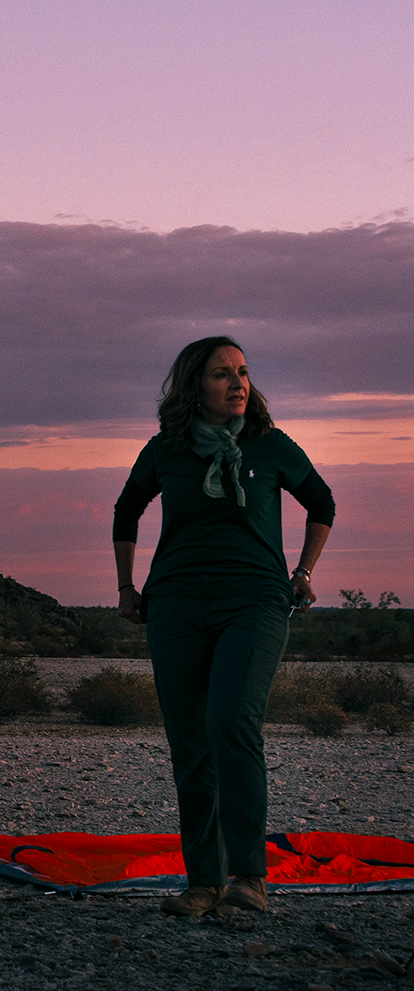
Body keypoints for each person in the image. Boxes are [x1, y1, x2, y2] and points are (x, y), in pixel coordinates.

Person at [113, 337, 334, 916]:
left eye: (243, 372)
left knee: (231, 723)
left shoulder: (271, 445)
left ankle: (249, 879)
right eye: (221, 374)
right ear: (194, 386)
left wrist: (304, 570)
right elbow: (125, 510)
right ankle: (204, 884)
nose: (238, 383)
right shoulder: (166, 450)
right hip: (177, 606)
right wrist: (126, 588)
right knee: (190, 743)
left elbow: (322, 502)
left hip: (255, 603)